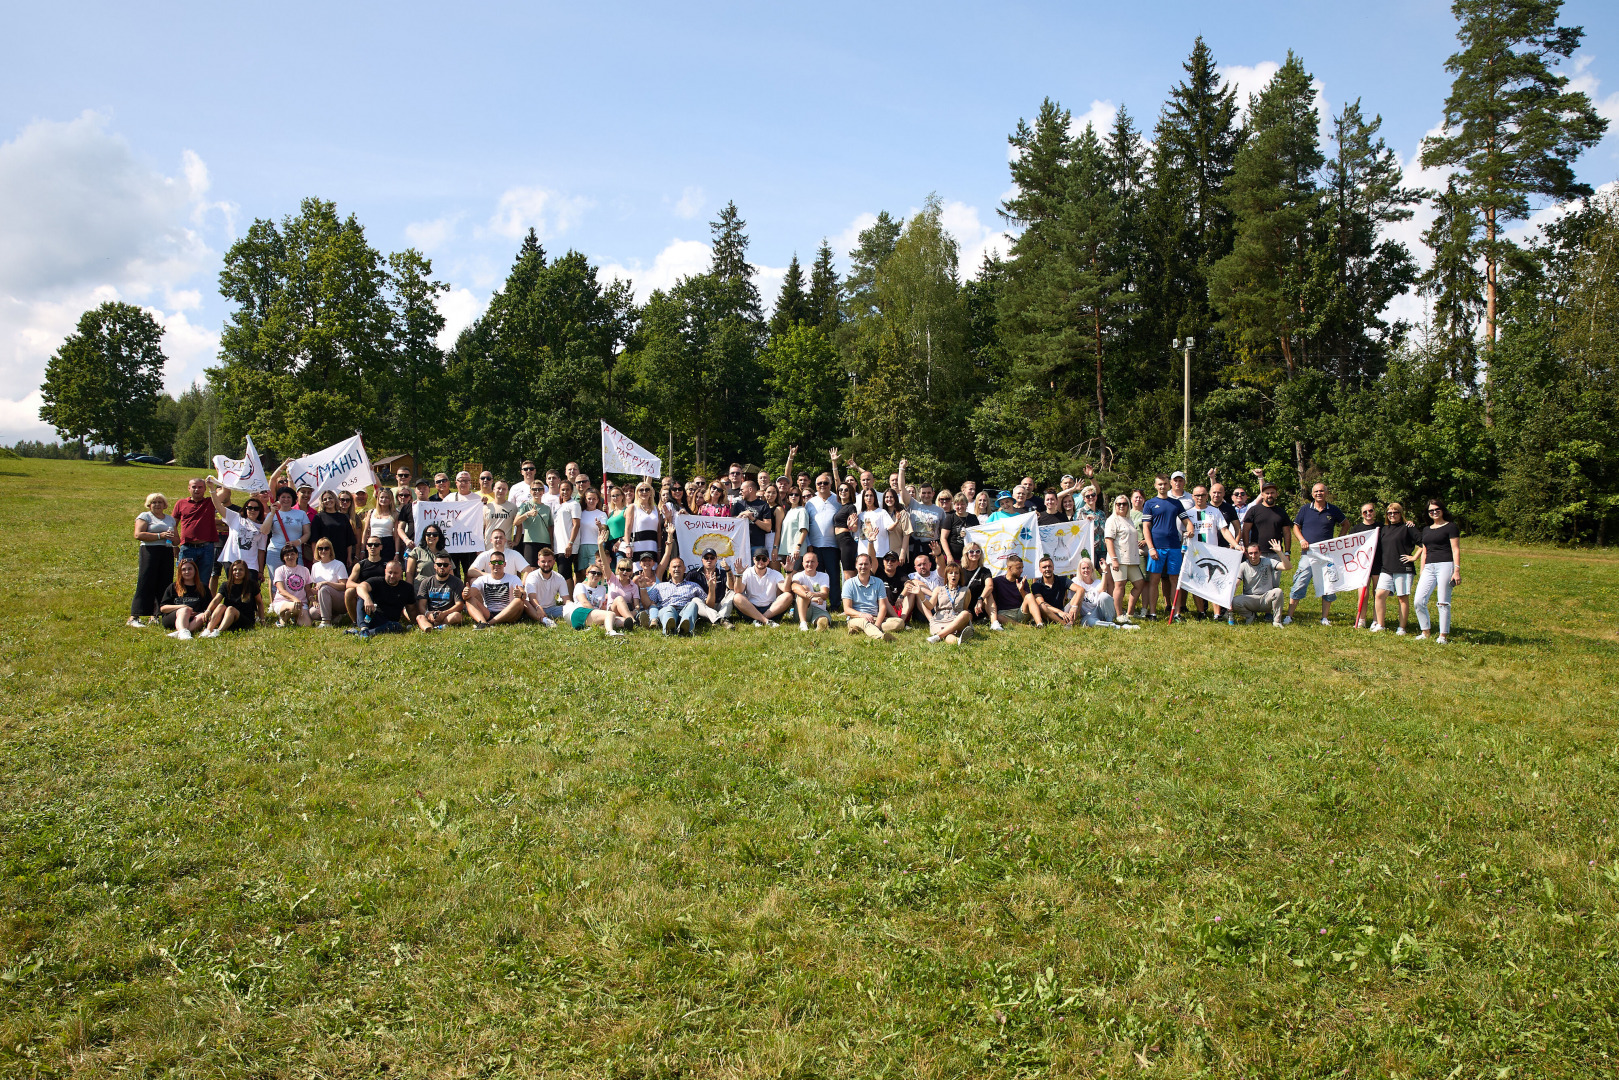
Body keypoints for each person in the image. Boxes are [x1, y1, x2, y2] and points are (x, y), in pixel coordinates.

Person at [1287, 482, 1346, 626]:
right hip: (1308, 553)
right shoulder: (1305, 509)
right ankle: (1289, 616)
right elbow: (1296, 526)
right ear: (1312, 494)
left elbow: (1346, 524)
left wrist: (1338, 541)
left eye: (1321, 491)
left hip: (1327, 555)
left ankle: (1324, 618)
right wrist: (1301, 540)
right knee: (1300, 583)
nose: (1318, 493)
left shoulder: (1333, 510)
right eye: (1316, 491)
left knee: (1328, 585)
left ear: (1326, 492)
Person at [1183, 486, 1238, 619]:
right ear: (1192, 497)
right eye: (1197, 495)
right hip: (1194, 553)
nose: (1200, 498)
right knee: (1196, 582)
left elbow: (1224, 530)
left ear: (1207, 496)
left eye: (1202, 495)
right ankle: (1201, 612)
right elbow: (1181, 532)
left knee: (1214, 582)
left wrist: (1236, 544)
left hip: (1211, 552)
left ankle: (1217, 614)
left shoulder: (1214, 512)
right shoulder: (1187, 513)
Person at [1414, 499, 1460, 643]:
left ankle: (1442, 636)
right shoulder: (1426, 529)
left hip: (1445, 565)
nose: (1434, 512)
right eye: (1431, 511)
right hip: (1429, 567)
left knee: (1443, 602)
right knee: (1418, 601)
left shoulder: (1451, 527)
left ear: (1442, 510)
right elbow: (1425, 551)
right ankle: (1425, 631)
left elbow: (1456, 549)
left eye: (1436, 509)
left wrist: (1456, 570)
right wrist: (1422, 570)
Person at [1141, 475, 1186, 620]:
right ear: (1155, 486)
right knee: (1154, 580)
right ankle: (1152, 613)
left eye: (1165, 484)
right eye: (1160, 484)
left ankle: (1176, 613)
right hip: (1157, 547)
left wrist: (1190, 529)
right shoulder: (1150, 503)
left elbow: (1187, 521)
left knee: (1175, 580)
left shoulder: (1176, 503)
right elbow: (1146, 528)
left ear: (1169, 485)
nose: (1162, 486)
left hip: (1174, 546)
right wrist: (1151, 547)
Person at [1372, 502, 1421, 635]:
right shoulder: (1384, 529)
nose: (1392, 515)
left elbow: (1422, 543)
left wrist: (1414, 557)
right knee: (1379, 594)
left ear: (1401, 514)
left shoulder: (1408, 527)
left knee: (1402, 597)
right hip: (1386, 568)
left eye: (1395, 512)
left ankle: (1402, 628)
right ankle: (1380, 624)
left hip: (1403, 568)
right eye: (1390, 513)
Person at [130, 492, 177, 627]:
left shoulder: (170, 519)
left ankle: (156, 615)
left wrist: (174, 540)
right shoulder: (145, 516)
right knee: (146, 581)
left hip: (166, 551)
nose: (157, 505)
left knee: (164, 582)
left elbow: (176, 538)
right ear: (149, 505)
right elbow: (138, 534)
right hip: (150, 551)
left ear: (165, 505)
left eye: (160, 502)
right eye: (154, 502)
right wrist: (159, 535)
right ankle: (135, 616)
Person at [173, 476, 226, 586]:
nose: (197, 489)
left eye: (200, 487)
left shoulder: (210, 502)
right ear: (189, 488)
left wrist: (218, 476)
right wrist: (174, 545)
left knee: (203, 581)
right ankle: (183, 601)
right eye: (194, 487)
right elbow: (172, 525)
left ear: (205, 489)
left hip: (206, 548)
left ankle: (201, 603)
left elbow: (225, 492)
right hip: (187, 548)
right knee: (183, 580)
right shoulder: (181, 503)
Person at [350, 558, 416, 638]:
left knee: (397, 626)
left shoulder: (407, 588)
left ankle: (363, 633)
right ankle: (364, 628)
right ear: (385, 572)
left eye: (395, 573)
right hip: (370, 618)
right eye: (390, 572)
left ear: (401, 573)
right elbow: (360, 587)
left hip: (389, 622)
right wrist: (367, 599)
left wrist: (414, 623)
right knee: (363, 596)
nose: (392, 576)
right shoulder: (377, 581)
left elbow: (411, 609)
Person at [841, 553, 902, 641]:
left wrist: (877, 624)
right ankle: (880, 636)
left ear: (871, 566)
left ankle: (865, 629)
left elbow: (883, 606)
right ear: (856, 566)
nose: (863, 566)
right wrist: (862, 615)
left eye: (866, 564)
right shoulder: (849, 583)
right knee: (863, 622)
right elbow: (847, 609)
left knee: (899, 623)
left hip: (875, 618)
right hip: (857, 617)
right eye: (860, 564)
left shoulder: (878, 582)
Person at [1231, 540, 1291, 626]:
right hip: (1250, 599)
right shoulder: (1243, 566)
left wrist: (1280, 552)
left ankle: (1277, 621)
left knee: (1278, 591)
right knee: (1235, 601)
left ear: (1260, 553)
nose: (1253, 556)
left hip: (1266, 599)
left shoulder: (1268, 562)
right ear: (1247, 554)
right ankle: (1250, 616)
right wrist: (1229, 601)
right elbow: (1236, 584)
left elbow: (1288, 567)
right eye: (1250, 553)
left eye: (1256, 553)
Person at [647, 551, 707, 636]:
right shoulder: (660, 586)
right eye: (674, 567)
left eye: (679, 566)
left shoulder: (693, 585)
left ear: (684, 569)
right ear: (669, 570)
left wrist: (712, 588)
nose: (677, 569)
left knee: (693, 605)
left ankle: (685, 629)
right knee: (669, 609)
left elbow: (705, 602)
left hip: (685, 611)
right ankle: (669, 631)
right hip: (667, 609)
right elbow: (650, 603)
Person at [1104, 494, 1143, 622]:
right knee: (1119, 585)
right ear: (1115, 506)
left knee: (1139, 583)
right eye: (1118, 504)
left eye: (1124, 504)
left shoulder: (1129, 519)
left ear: (1128, 505)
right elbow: (1108, 540)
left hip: (1131, 559)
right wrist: (1114, 559)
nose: (1121, 506)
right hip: (1119, 559)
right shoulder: (1112, 520)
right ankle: (1119, 615)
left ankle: (1130, 613)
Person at [198, 559, 261, 637]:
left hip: (245, 619)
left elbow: (259, 602)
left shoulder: (252, 584)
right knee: (221, 606)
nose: (237, 572)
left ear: (245, 572)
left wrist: (262, 619)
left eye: (241, 569)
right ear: (231, 571)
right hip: (228, 617)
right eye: (235, 570)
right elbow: (216, 600)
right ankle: (208, 630)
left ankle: (218, 632)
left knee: (231, 608)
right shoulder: (226, 585)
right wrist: (208, 610)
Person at [464, 551, 526, 627]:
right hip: (489, 613)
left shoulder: (513, 578)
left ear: (504, 564)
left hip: (508, 613)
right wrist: (466, 593)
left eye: (500, 562)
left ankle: (488, 624)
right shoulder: (482, 579)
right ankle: (483, 622)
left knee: (519, 600)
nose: (497, 564)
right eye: (494, 562)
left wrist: (520, 593)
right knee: (469, 600)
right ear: (489, 564)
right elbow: (469, 595)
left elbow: (523, 594)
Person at [1067, 557, 1133, 628]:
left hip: (1099, 610)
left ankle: (1109, 621)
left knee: (1104, 595)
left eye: (1088, 568)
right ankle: (1119, 627)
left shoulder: (1097, 582)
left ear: (1092, 569)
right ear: (1079, 570)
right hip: (1087, 615)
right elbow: (1071, 600)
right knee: (1090, 622)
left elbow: (1102, 590)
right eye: (1083, 568)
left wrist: (1104, 571)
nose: (1086, 570)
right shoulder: (1076, 581)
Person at [734, 549, 793, 625]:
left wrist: (788, 572)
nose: (761, 562)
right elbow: (738, 590)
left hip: (771, 610)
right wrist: (739, 575)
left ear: (768, 561)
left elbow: (786, 589)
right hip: (751, 609)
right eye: (758, 559)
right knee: (737, 597)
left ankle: (760, 620)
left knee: (788, 595)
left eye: (764, 559)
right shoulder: (747, 572)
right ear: (753, 560)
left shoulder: (775, 573)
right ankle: (766, 621)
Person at [566, 562, 627, 635]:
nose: (596, 575)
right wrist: (603, 614)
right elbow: (584, 603)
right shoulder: (580, 586)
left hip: (593, 615)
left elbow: (602, 607)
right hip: (580, 613)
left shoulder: (602, 589)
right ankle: (610, 632)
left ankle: (592, 628)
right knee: (610, 615)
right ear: (587, 574)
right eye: (593, 573)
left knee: (623, 621)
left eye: (599, 574)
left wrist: (603, 614)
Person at [1347, 502, 1382, 628]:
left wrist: (1408, 523)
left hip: (1378, 563)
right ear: (1361, 514)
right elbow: (1348, 547)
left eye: (1371, 511)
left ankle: (1376, 619)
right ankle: (1361, 619)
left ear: (1374, 512)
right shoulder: (1356, 529)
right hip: (1362, 565)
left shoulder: (1381, 527)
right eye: (1365, 512)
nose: (1368, 514)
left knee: (1377, 593)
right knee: (1363, 593)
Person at [923, 562, 975, 644]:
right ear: (946, 575)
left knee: (965, 613)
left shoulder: (965, 590)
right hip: (940, 620)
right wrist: (920, 594)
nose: (954, 575)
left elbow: (964, 608)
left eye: (956, 573)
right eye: (951, 573)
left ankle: (937, 636)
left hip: (956, 620)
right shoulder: (938, 589)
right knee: (948, 635)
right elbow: (929, 606)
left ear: (960, 576)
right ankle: (958, 641)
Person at [160, 558, 211, 639]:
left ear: (195, 570)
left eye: (190, 569)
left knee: (202, 616)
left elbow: (208, 608)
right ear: (180, 572)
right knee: (184, 610)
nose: (187, 572)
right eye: (183, 569)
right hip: (173, 619)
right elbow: (163, 608)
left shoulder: (203, 588)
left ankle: (181, 632)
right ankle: (183, 631)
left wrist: (197, 613)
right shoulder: (173, 587)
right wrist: (183, 607)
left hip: (193, 619)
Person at [343, 537, 390, 624]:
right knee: (349, 592)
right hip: (364, 594)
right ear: (366, 547)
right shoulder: (360, 565)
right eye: (370, 545)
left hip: (383, 592)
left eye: (376, 545)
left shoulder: (387, 564)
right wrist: (362, 587)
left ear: (381, 547)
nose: (373, 547)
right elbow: (348, 583)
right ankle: (355, 621)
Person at [263, 485, 311, 570]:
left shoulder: (301, 514)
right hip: (275, 551)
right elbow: (264, 531)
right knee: (277, 581)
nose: (286, 499)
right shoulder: (273, 514)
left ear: (293, 499)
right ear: (278, 498)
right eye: (283, 497)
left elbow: (307, 533)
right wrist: (272, 514)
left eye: (289, 497)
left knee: (296, 580)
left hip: (294, 552)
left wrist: (298, 542)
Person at [415, 553, 466, 630]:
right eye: (439, 564)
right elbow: (421, 605)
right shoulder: (426, 582)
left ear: (450, 566)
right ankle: (430, 628)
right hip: (431, 615)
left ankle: (435, 627)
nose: (442, 567)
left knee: (457, 616)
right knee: (420, 617)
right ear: (435, 566)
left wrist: (444, 614)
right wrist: (428, 614)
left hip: (448, 615)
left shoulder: (457, 582)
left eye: (445, 565)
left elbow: (459, 605)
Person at [985, 553, 1036, 629]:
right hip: (1004, 614)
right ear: (1009, 568)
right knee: (997, 617)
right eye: (1018, 568)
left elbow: (1027, 601)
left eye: (1022, 568)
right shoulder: (997, 581)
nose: (1021, 570)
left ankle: (1038, 623)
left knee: (1030, 596)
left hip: (1020, 611)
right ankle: (1023, 626)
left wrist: (1021, 590)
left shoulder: (1023, 581)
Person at [310, 490, 358, 569]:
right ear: (322, 502)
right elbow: (314, 540)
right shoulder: (318, 517)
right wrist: (315, 557)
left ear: (335, 499)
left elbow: (349, 540)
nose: (328, 501)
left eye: (330, 498)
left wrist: (349, 557)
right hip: (324, 554)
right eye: (325, 499)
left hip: (341, 555)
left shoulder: (343, 517)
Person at [691, 548, 737, 627]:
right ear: (702, 560)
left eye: (712, 558)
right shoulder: (694, 573)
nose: (709, 560)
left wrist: (728, 570)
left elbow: (732, 586)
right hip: (704, 607)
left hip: (720, 606)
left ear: (716, 560)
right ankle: (720, 619)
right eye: (706, 558)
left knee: (732, 593)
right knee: (695, 600)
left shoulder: (722, 573)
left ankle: (717, 618)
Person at [308, 539, 349, 627]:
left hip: (339, 601)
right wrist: (313, 598)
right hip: (323, 600)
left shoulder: (338, 564)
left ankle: (326, 621)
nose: (323, 551)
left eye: (326, 548)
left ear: (330, 550)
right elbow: (315, 588)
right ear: (317, 550)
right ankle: (334, 617)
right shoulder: (315, 566)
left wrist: (326, 583)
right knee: (313, 612)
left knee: (324, 588)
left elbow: (343, 586)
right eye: (320, 548)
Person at [522, 548, 567, 627]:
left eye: (549, 561)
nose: (546, 564)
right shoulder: (532, 576)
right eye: (543, 561)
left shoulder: (559, 578)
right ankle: (545, 620)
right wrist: (539, 608)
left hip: (551, 609)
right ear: (538, 563)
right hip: (533, 608)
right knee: (525, 603)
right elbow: (532, 598)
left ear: (554, 562)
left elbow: (567, 599)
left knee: (571, 608)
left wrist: (571, 608)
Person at [270, 544, 313, 627]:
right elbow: (281, 591)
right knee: (295, 607)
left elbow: (308, 590)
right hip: (283, 602)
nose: (290, 557)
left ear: (297, 555)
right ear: (283, 558)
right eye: (287, 555)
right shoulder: (280, 570)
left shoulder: (304, 570)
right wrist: (294, 599)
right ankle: (283, 619)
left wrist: (312, 599)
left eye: (292, 554)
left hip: (301, 603)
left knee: (306, 625)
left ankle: (293, 617)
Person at [513, 484, 555, 568]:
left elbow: (550, 527)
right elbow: (516, 522)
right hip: (530, 542)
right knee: (531, 570)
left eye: (540, 489)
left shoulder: (547, 508)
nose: (537, 491)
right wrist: (527, 514)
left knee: (545, 569)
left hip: (545, 541)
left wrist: (552, 543)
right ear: (530, 491)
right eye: (534, 489)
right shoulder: (525, 505)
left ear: (543, 491)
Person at [791, 550, 833, 631]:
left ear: (817, 563)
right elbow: (794, 587)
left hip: (819, 609)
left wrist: (812, 594)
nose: (810, 564)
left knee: (823, 620)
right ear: (802, 564)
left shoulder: (824, 576)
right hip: (802, 609)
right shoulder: (798, 575)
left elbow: (825, 594)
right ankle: (803, 623)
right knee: (804, 587)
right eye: (807, 562)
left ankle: (820, 625)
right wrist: (813, 598)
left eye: (813, 562)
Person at [363, 486, 407, 563]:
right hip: (372, 543)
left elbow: (396, 536)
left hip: (387, 543)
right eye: (382, 497)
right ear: (378, 499)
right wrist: (362, 550)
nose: (384, 500)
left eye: (387, 498)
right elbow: (365, 531)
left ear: (391, 500)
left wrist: (397, 552)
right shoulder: (371, 512)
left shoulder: (395, 514)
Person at [1028, 554, 1073, 626]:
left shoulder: (1063, 580)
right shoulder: (1036, 585)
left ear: (1053, 568)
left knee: (1079, 594)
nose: (1047, 569)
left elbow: (1080, 589)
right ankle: (1064, 624)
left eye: (1049, 566)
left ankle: (1071, 621)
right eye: (1044, 567)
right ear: (1040, 569)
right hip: (1048, 613)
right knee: (1042, 606)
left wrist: (1074, 608)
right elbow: (1041, 603)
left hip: (1063, 610)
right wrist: (1059, 612)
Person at [777, 486, 810, 571]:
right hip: (786, 550)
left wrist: (797, 547)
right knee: (788, 577)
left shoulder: (802, 511)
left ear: (800, 497)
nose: (793, 496)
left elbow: (804, 530)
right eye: (791, 494)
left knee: (792, 576)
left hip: (796, 551)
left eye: (796, 494)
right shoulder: (789, 512)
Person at [484, 480, 517, 550]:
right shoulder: (486, 507)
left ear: (507, 491)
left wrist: (516, 542)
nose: (501, 491)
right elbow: (482, 528)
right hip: (488, 547)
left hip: (506, 548)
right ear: (494, 489)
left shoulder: (513, 507)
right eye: (499, 488)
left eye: (504, 489)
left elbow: (519, 525)